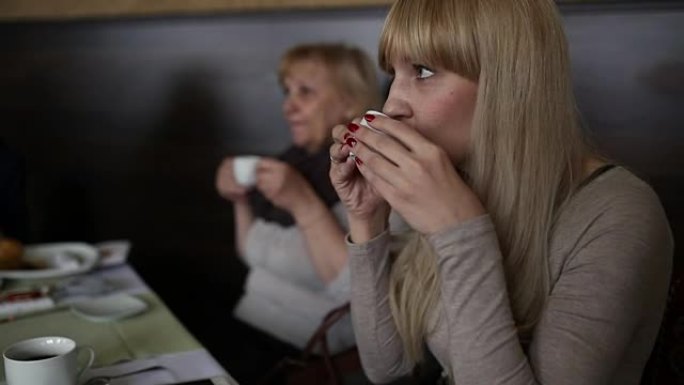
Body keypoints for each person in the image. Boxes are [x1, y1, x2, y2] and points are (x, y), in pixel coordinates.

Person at [328, 0, 673, 384]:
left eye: (423, 71)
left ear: (509, 81)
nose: (391, 105)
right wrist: (367, 219)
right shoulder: (455, 179)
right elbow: (387, 368)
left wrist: (459, 232)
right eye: (393, 73)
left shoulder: (618, 213)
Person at [215, 43, 382, 354]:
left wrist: (303, 203)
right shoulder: (294, 163)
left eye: (305, 92)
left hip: (311, 359)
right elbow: (253, 254)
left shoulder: (365, 175)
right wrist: (238, 197)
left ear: (349, 102)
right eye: (287, 92)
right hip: (246, 335)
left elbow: (352, 289)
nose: (288, 106)